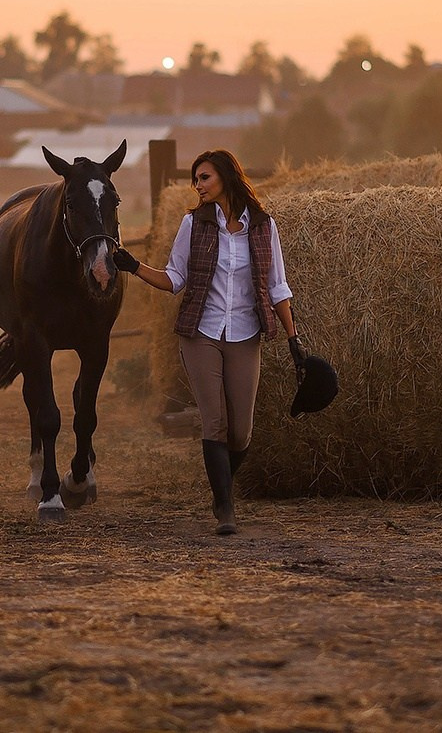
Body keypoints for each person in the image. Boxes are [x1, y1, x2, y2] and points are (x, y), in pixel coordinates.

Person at [113, 149, 305, 535]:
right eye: (195, 180)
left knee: (241, 432)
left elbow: (277, 287)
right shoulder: (193, 224)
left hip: (245, 333)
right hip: (201, 332)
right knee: (214, 422)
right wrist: (133, 266)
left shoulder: (264, 226)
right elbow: (174, 280)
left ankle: (221, 486)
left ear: (226, 177)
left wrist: (293, 338)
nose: (198, 186)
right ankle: (225, 507)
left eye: (204, 178)